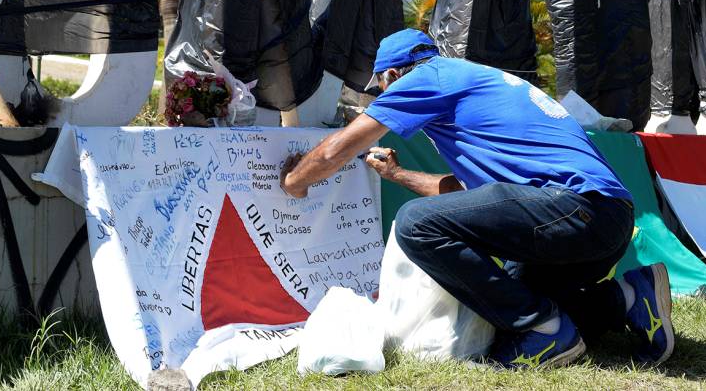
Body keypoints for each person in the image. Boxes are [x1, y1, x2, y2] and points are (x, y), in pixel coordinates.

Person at [281, 29, 674, 369]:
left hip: (573, 209)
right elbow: (472, 198)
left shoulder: (429, 78)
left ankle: (544, 328)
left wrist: (296, 181)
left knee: (416, 223)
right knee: (500, 322)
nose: (385, 96)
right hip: (603, 218)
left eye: (382, 88)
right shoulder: (472, 81)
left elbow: (340, 149)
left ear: (394, 75)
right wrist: (397, 174)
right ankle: (627, 296)